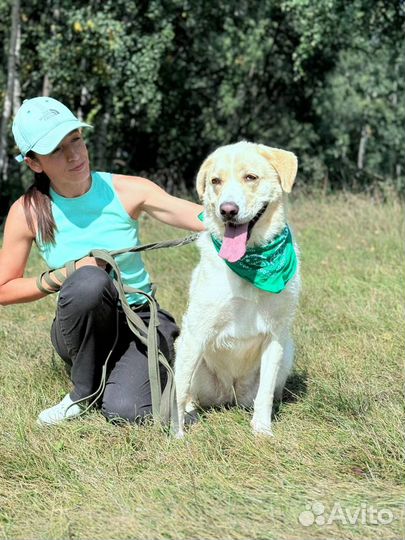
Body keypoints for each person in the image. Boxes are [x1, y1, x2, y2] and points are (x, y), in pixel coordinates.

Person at [0, 96, 204, 426]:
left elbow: (199, 216)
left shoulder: (128, 189)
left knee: (126, 412)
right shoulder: (26, 212)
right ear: (34, 163)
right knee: (89, 282)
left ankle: (132, 381)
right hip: (80, 325)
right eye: (56, 149)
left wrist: (247, 217)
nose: (74, 155)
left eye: (76, 140)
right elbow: (4, 289)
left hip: (140, 320)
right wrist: (64, 275)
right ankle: (84, 390)